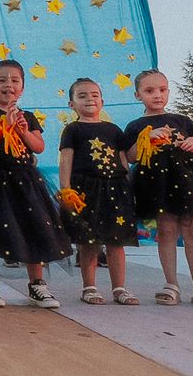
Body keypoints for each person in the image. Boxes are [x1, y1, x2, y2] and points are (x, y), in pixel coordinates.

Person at [124, 69, 193, 309]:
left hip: (187, 181)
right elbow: (130, 156)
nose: (157, 95)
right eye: (149, 90)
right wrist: (146, 138)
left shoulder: (182, 121)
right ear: (137, 95)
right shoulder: (136, 125)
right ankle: (171, 284)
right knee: (167, 229)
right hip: (158, 184)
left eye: (162, 90)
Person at [0, 60, 72, 309]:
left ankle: (37, 284)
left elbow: (38, 146)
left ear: (22, 88)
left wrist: (23, 130)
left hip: (25, 180)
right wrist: (5, 124)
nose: (8, 85)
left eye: (15, 80)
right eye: (1, 80)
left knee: (34, 226)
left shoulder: (29, 117)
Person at [57, 78, 140, 306]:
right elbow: (66, 158)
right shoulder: (72, 129)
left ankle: (119, 288)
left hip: (115, 188)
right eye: (82, 96)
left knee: (116, 241)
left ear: (102, 101)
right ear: (71, 104)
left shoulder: (114, 130)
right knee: (88, 241)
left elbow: (126, 158)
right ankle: (89, 287)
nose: (89, 99)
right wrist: (66, 190)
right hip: (85, 190)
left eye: (94, 95)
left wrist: (145, 140)